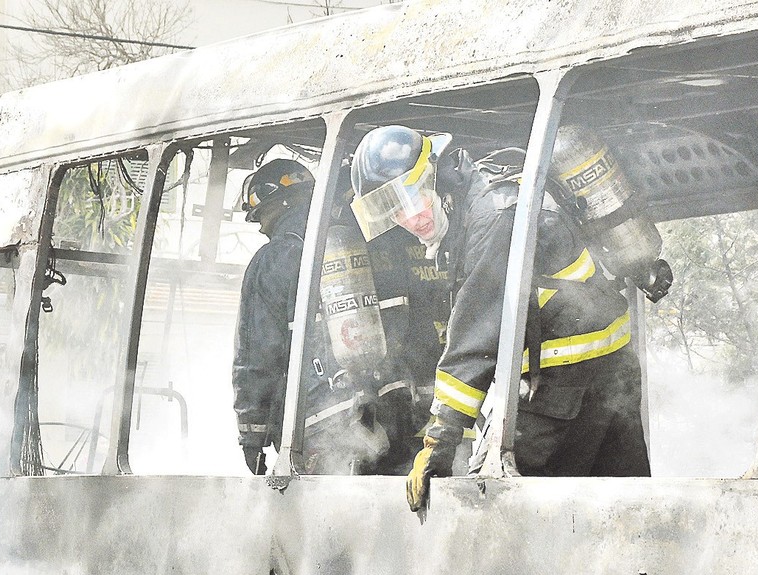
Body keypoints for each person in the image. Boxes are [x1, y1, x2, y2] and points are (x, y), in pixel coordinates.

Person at [350, 126, 654, 510]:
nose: (409, 218)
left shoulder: (493, 219)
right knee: (623, 509)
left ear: (439, 176)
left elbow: (475, 335)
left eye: (412, 198)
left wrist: (439, 439)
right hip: (608, 377)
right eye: (394, 210)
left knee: (499, 511)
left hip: (564, 389)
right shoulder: (485, 202)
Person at [231, 157, 413, 476]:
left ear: (282, 201)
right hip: (394, 413)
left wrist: (252, 435)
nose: (259, 225)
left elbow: (258, 354)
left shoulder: (273, 260)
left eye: (261, 214)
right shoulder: (365, 242)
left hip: (322, 426)